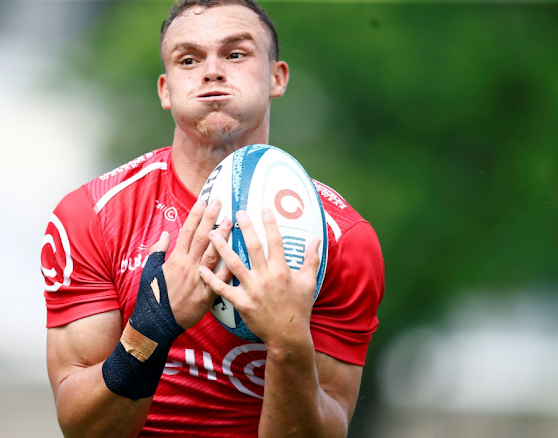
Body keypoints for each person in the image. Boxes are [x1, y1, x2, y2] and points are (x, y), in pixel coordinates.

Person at [39, 1, 384, 436]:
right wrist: (153, 324)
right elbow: (82, 429)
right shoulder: (91, 216)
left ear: (276, 77)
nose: (212, 71)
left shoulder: (344, 240)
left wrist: (288, 342)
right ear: (165, 90)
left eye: (236, 54)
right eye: (189, 59)